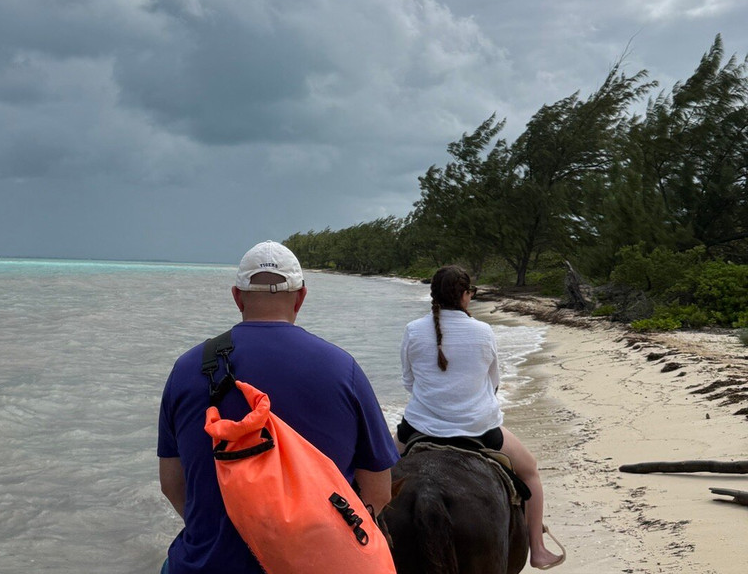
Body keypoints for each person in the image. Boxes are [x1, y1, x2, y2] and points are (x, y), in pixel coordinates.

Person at [157, 240, 399, 574]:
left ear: (237, 297)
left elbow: (172, 484)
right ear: (301, 297)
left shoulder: (187, 368)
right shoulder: (342, 368)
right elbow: (378, 491)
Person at [397, 265, 566, 570]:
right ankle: (538, 549)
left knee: (371, 471)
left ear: (433, 295)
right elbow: (494, 382)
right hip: (479, 431)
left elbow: (408, 382)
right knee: (530, 472)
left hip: (418, 428)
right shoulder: (484, 331)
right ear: (466, 295)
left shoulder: (412, 329)